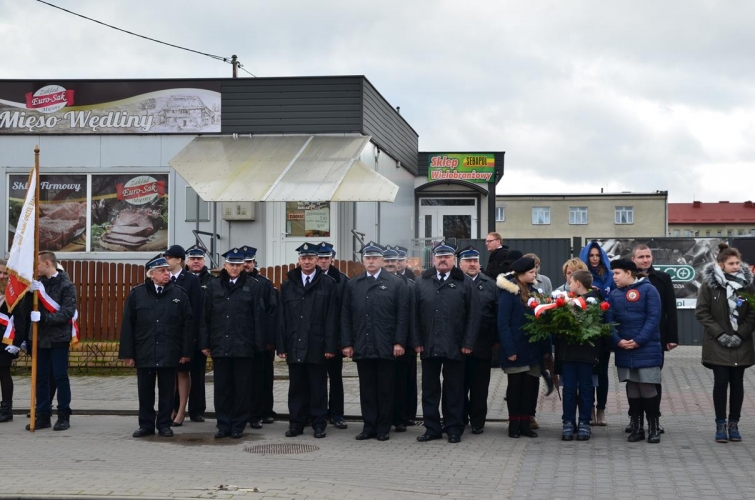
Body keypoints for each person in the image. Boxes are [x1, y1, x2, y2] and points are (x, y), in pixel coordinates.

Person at [412, 241, 481, 443]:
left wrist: (468, 342)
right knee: (429, 390)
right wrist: (416, 340)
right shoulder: (421, 282)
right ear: (434, 259)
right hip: (429, 345)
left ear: (454, 260)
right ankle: (432, 428)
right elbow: (413, 315)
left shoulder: (465, 282)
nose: (443, 260)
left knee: (454, 390)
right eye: (440, 257)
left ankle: (453, 428)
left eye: (447, 257)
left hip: (455, 345)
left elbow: (474, 316)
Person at [341, 242, 409, 441]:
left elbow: (402, 316)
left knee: (386, 389)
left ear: (381, 260)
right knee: (367, 389)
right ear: (363, 261)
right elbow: (346, 316)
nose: (371, 261)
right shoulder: (353, 284)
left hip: (386, 345)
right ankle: (369, 426)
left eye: (375, 258)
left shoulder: (396, 283)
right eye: (368, 258)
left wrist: (399, 342)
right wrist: (347, 343)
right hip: (363, 344)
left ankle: (383, 427)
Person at [119, 255, 193, 438]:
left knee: (167, 391)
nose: (167, 273)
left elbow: (187, 325)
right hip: (145, 350)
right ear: (151, 274)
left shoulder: (179, 294)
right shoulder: (137, 294)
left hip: (169, 350)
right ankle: (146, 425)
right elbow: (128, 325)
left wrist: (185, 351)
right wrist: (128, 353)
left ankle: (164, 424)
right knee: (145, 391)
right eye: (162, 271)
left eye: (167, 270)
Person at [277, 242, 339, 439]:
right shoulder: (288, 284)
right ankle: (296, 424)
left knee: (318, 388)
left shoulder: (328, 284)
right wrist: (281, 346)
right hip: (294, 345)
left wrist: (330, 346)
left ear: (317, 260)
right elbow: (282, 318)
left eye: (310, 258)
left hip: (317, 345)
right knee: (296, 388)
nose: (306, 262)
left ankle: (319, 424)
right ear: (299, 260)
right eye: (303, 258)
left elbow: (332, 318)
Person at [696, 243, 755, 443]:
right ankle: (720, 424)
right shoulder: (709, 285)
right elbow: (702, 312)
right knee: (721, 383)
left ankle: (734, 424)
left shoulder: (747, 284)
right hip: (717, 344)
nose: (736, 266)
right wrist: (720, 334)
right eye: (731, 263)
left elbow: (753, 313)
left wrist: (740, 334)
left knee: (737, 384)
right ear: (721, 264)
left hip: (741, 343)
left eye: (737, 262)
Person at [201, 248, 261, 439]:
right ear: (225, 266)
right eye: (231, 264)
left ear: (243, 266)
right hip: (221, 344)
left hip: (243, 345)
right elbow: (205, 317)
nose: (234, 268)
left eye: (238, 265)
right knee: (222, 388)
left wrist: (257, 344)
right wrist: (205, 343)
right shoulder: (213, 286)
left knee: (242, 389)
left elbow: (258, 317)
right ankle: (223, 424)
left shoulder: (253, 286)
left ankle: (238, 425)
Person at [609, 258, 663, 444]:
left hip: (646, 348)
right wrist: (618, 340)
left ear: (629, 273)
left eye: (617, 273)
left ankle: (653, 427)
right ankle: (637, 428)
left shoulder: (649, 290)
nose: (614, 277)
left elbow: (653, 318)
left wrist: (639, 340)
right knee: (632, 386)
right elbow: (609, 321)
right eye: (613, 273)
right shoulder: (614, 294)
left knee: (647, 386)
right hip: (624, 348)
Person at [497, 257, 552, 439]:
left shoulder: (535, 292)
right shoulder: (509, 293)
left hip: (533, 348)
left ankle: (525, 422)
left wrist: (546, 349)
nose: (535, 274)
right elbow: (503, 323)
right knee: (515, 387)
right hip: (516, 348)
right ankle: (513, 424)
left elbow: (542, 321)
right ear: (520, 274)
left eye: (535, 271)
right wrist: (510, 350)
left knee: (531, 387)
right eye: (531, 272)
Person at [630, 244, 679, 434]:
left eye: (648, 256)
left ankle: (654, 420)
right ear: (633, 259)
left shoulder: (662, 279)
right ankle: (635, 420)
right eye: (641, 257)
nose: (645, 260)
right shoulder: (627, 278)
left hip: (656, 338)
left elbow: (670, 309)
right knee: (633, 380)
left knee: (653, 380)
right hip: (632, 338)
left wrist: (672, 337)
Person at [27, 251, 77, 432]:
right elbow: (29, 310)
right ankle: (43, 415)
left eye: (37, 264)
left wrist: (44, 318)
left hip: (58, 338)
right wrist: (29, 295)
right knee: (40, 378)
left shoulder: (66, 285)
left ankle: (63, 415)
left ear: (47, 263)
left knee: (60, 377)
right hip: (40, 338)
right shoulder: (38, 284)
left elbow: (67, 313)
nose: (35, 268)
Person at [556, 270, 605, 441]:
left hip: (587, 355)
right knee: (569, 389)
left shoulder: (595, 301)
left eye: (571, 282)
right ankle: (568, 422)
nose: (569, 285)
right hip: (568, 354)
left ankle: (584, 422)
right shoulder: (567, 301)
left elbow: (598, 327)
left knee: (586, 389)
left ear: (578, 283)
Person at [457, 246, 498, 435]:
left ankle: (478, 421)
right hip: (458, 345)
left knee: (480, 387)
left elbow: (496, 314)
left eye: (475, 261)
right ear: (460, 264)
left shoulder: (490, 285)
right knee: (458, 385)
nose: (472, 264)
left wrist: (495, 341)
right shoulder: (455, 282)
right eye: (468, 261)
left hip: (482, 344)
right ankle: (460, 417)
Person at [163, 245, 202, 427]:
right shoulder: (164, 277)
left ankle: (181, 411)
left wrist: (192, 338)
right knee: (168, 374)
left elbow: (195, 310)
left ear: (178, 260)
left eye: (169, 257)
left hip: (184, 335)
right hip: (167, 335)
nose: (166, 261)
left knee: (182, 372)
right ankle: (168, 409)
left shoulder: (191, 280)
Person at [241, 245, 278, 429]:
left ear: (255, 263)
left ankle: (265, 411)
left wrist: (270, 340)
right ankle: (247, 412)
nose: (246, 265)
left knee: (263, 378)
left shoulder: (264, 284)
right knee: (245, 380)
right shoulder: (235, 282)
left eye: (249, 262)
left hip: (262, 341)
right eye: (243, 262)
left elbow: (272, 313)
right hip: (243, 340)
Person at [579, 241, 615, 426]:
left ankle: (601, 409)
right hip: (584, 332)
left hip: (603, 332)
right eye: (591, 255)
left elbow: (614, 301)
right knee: (586, 374)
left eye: (597, 255)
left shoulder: (609, 276)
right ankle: (589, 409)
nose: (594, 259)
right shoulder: (582, 277)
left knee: (602, 373)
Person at [316, 241, 348, 430]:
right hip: (314, 339)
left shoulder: (342, 280)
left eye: (326, 258)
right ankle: (316, 413)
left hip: (334, 338)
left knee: (335, 378)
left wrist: (342, 340)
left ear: (332, 260)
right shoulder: (309, 278)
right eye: (320, 258)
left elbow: (345, 312)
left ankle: (337, 414)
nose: (322, 261)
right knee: (315, 379)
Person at [384, 245, 416, 431]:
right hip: (383, 342)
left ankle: (402, 417)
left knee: (403, 382)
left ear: (399, 263)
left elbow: (411, 316)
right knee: (386, 383)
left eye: (393, 261)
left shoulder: (410, 284)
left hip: (404, 343)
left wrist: (408, 341)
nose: (390, 264)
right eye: (387, 260)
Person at [183, 245, 214, 423]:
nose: (196, 262)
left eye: (199, 259)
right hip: (182, 336)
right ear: (187, 261)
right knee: (179, 375)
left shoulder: (211, 281)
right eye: (193, 259)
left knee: (198, 376)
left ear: (204, 261)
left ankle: (197, 410)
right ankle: (176, 409)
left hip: (200, 336)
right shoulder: (180, 279)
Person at [0, 259, 29, 423]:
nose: (2, 276)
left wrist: (17, 343)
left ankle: (6, 410)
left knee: (3, 374)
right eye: (0, 273)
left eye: (5, 273)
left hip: (5, 341)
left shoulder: (13, 295)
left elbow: (20, 321)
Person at [394, 245, 418, 425]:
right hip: (391, 340)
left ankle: (409, 413)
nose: (397, 263)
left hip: (408, 340)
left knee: (408, 379)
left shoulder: (412, 281)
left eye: (400, 260)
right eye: (394, 260)